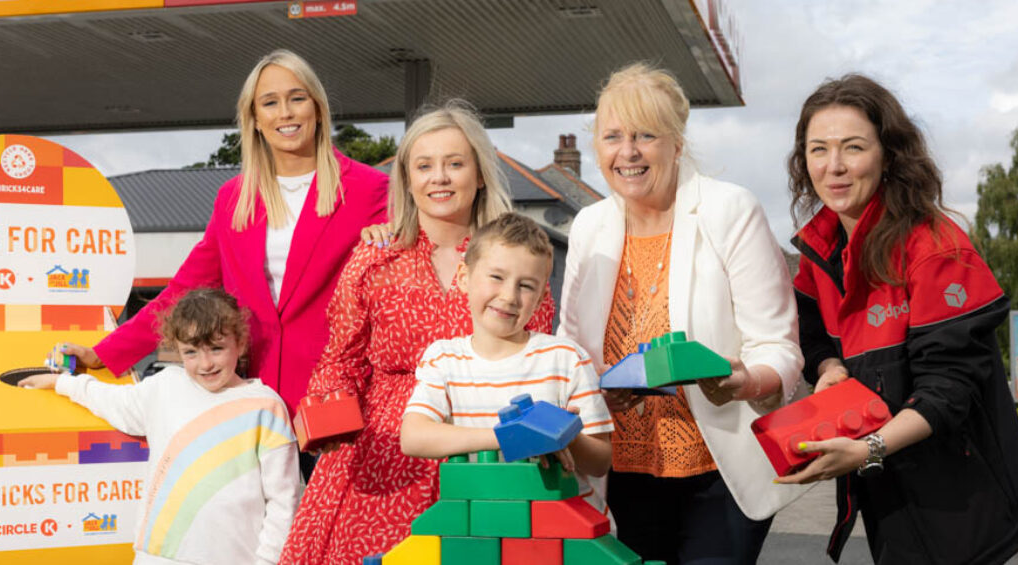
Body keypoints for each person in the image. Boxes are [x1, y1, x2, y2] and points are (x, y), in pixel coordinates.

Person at [279, 101, 555, 565]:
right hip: (381, 456)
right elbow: (340, 359)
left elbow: (537, 356)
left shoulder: (515, 261)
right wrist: (330, 419)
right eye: (423, 166)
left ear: (480, 174)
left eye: (454, 163)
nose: (439, 178)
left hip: (483, 451)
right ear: (408, 180)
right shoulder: (374, 258)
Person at [556, 62, 809, 564]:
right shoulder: (589, 225)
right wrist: (598, 386)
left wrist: (748, 379)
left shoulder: (729, 210)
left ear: (676, 141)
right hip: (618, 472)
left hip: (718, 471)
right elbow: (571, 345)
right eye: (612, 137)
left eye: (645, 135)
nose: (626, 152)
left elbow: (779, 345)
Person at [776, 74, 1018, 564]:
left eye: (853, 148)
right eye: (818, 150)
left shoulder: (934, 248)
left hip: (959, 498)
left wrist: (867, 450)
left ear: (888, 154)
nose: (834, 167)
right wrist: (830, 370)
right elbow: (811, 336)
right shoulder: (821, 252)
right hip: (889, 489)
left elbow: (950, 388)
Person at [48, 49, 388, 419]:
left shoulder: (370, 190)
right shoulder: (234, 199)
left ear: (318, 108)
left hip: (340, 402)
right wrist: (104, 353)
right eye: (270, 103)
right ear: (255, 119)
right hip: (249, 401)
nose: (285, 113)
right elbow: (182, 294)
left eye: (297, 98)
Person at [20, 288, 302, 565]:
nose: (205, 364)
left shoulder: (267, 407)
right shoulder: (165, 387)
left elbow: (283, 502)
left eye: (216, 349)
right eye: (191, 352)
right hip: (156, 556)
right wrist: (61, 382)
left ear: (240, 343)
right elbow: (111, 400)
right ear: (177, 349)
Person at [400, 213, 613, 508]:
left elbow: (600, 462)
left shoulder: (566, 358)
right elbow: (413, 437)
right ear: (464, 278)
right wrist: (512, 436)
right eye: (497, 277)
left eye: (526, 286)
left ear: (540, 299)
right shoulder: (444, 358)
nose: (509, 296)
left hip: (567, 532)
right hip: (482, 525)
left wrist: (565, 436)